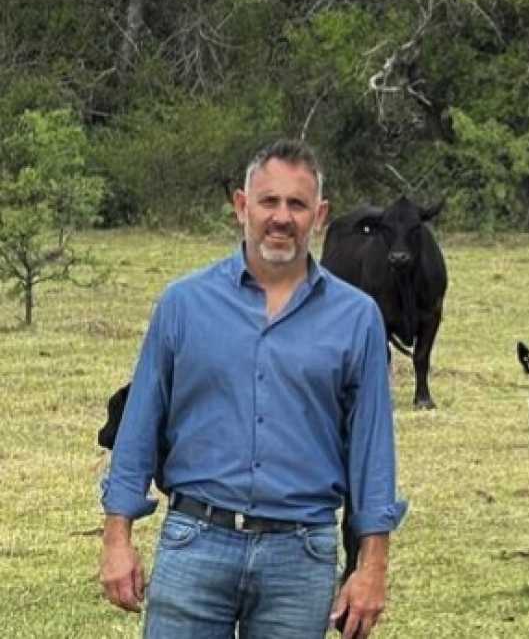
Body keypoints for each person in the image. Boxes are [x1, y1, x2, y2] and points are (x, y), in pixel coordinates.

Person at [100, 139, 407, 639]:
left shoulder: (357, 319)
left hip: (301, 555)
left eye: (297, 204)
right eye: (268, 201)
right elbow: (138, 427)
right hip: (195, 542)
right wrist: (117, 539)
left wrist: (371, 568)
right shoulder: (183, 304)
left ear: (320, 215)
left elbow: (373, 452)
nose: (281, 217)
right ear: (242, 205)